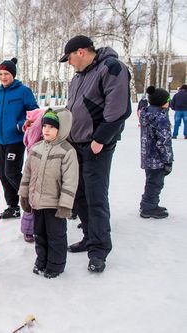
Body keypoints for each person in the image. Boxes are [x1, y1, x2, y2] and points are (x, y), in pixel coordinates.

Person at [59, 35, 131, 273]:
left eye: (69, 58)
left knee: (95, 197)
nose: (69, 63)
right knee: (78, 194)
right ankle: (89, 236)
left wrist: (100, 139)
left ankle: (99, 250)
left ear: (80, 52)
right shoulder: (79, 76)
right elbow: (73, 109)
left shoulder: (111, 67)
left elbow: (118, 109)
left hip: (96, 145)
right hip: (75, 144)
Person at [19, 108, 78, 278]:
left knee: (56, 236)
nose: (46, 130)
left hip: (55, 205)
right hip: (37, 202)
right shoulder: (36, 148)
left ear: (62, 129)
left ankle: (56, 265)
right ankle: (41, 260)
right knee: (40, 234)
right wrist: (24, 195)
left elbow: (70, 181)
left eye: (52, 127)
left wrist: (66, 205)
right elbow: (27, 173)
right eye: (45, 126)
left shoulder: (67, 151)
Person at [0, 58, 39, 219]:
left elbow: (34, 112)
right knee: (3, 174)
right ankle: (13, 206)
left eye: (6, 74)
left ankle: (34, 201)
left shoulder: (23, 91)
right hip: (0, 139)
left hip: (15, 139)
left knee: (12, 172)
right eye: (0, 74)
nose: (3, 77)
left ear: (13, 75)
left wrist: (20, 125)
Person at [139, 86, 174, 219]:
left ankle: (147, 203)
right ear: (162, 101)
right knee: (156, 183)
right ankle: (149, 207)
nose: (169, 101)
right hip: (158, 158)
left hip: (147, 155)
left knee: (151, 181)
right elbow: (164, 141)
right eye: (168, 99)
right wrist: (168, 159)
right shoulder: (160, 117)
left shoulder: (146, 113)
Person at [19, 108, 45, 243]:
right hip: (33, 166)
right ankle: (28, 229)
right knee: (30, 200)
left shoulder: (37, 130)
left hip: (45, 169)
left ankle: (36, 228)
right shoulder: (34, 131)